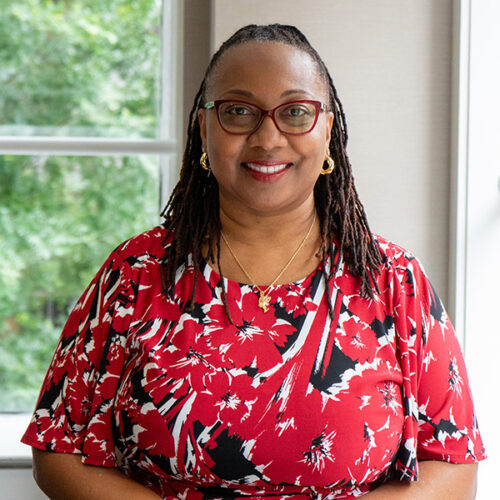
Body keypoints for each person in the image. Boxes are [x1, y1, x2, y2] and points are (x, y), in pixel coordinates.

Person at [22, 24, 485, 499]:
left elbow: (452, 466)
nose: (268, 138)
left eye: (296, 112)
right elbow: (60, 449)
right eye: (238, 111)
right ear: (204, 127)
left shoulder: (392, 281)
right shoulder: (135, 275)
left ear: (327, 129)